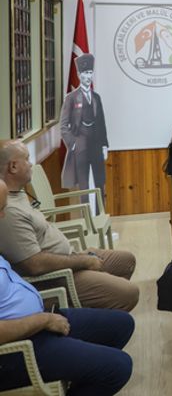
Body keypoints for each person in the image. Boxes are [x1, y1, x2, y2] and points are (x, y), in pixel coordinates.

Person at [0, 179, 134, 396]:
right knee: (117, 367)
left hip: (40, 319)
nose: (3, 216)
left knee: (121, 325)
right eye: (0, 209)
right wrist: (43, 320)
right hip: (19, 346)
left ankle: (79, 371)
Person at [0, 140, 138, 311]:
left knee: (126, 261)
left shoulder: (17, 193)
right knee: (129, 293)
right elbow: (35, 264)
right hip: (57, 276)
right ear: (13, 167)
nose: (31, 164)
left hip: (70, 258)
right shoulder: (8, 212)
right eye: (27, 159)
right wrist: (82, 261)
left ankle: (103, 310)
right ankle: (92, 323)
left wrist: (78, 256)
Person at [59, 54, 109, 205]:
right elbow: (63, 125)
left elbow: (101, 123)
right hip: (80, 145)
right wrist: (72, 143)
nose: (88, 76)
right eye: (85, 73)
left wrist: (105, 145)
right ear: (79, 75)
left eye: (90, 73)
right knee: (84, 185)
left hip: (96, 145)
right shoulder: (71, 98)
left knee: (100, 182)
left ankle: (101, 219)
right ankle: (88, 224)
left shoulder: (96, 97)